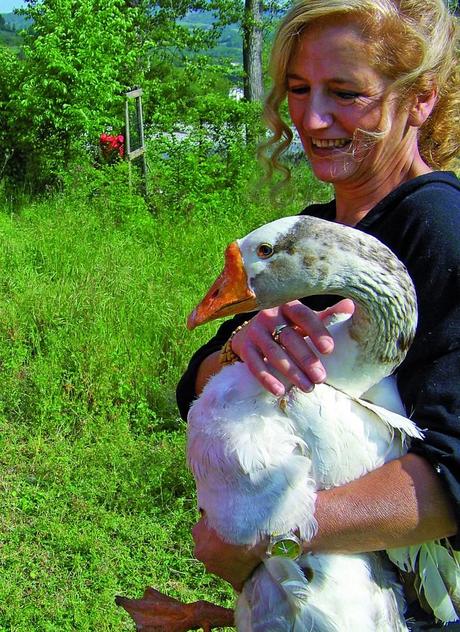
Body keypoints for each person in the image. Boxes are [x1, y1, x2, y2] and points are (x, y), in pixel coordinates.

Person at [176, 0, 460, 628]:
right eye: (299, 89)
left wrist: (263, 540)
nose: (312, 117)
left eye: (347, 92)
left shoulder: (439, 229)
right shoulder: (318, 233)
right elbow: (194, 382)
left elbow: (451, 476)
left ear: (419, 101)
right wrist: (238, 349)